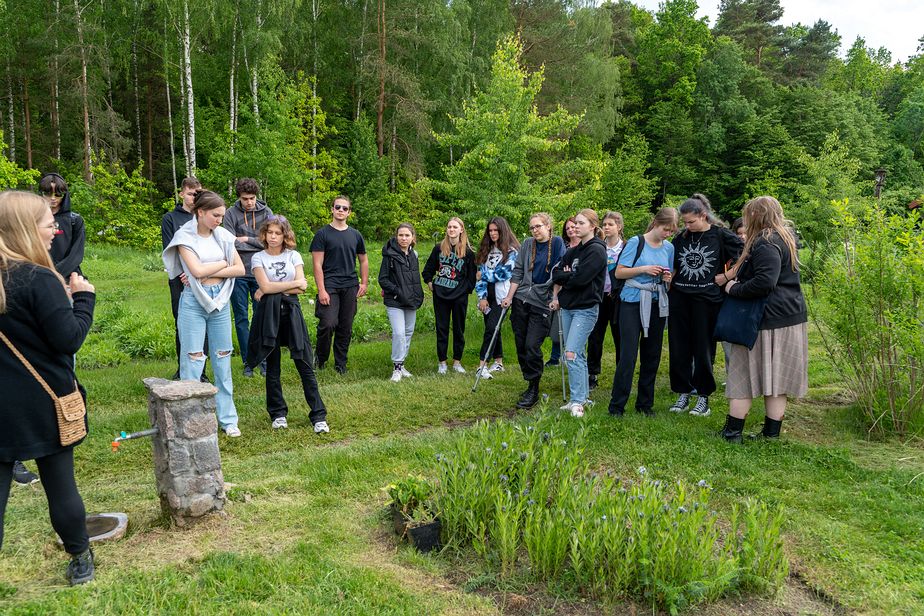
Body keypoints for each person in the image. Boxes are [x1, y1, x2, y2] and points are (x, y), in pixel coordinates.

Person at [0, 190, 96, 585]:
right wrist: (85, 299)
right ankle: (79, 557)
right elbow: (68, 338)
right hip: (44, 402)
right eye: (47, 224)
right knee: (61, 487)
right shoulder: (38, 279)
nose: (55, 230)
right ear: (26, 229)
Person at [719, 196, 808, 443]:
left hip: (765, 319)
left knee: (742, 375)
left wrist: (732, 288)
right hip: (786, 316)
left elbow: (765, 282)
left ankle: (732, 432)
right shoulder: (785, 238)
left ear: (756, 216)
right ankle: (770, 436)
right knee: (776, 379)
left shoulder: (766, 242)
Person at [163, 190, 245, 437]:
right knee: (193, 360)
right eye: (216, 215)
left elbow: (240, 269)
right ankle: (192, 421)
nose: (220, 220)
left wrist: (213, 273)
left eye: (221, 215)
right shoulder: (184, 236)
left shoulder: (223, 236)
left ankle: (228, 420)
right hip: (193, 304)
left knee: (222, 359)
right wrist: (222, 264)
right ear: (200, 212)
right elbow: (197, 271)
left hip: (220, 301)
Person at [247, 216, 329, 434]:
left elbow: (302, 288)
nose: (273, 237)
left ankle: (318, 415)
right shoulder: (257, 258)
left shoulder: (293, 255)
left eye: (278, 233)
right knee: (273, 366)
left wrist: (270, 288)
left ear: (285, 236)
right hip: (268, 314)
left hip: (291, 311)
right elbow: (266, 284)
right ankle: (278, 414)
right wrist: (277, 286)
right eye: (269, 233)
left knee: (304, 362)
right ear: (264, 235)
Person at [667, 194, 743, 418]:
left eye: (691, 221)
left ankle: (703, 397)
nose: (687, 226)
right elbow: (673, 264)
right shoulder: (681, 237)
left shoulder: (720, 235)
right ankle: (683, 391)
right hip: (680, 298)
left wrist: (727, 276)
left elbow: (745, 255)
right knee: (679, 347)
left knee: (703, 348)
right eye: (685, 222)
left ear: (703, 215)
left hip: (707, 300)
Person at [607, 208, 678, 417]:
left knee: (652, 354)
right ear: (656, 223)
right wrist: (644, 269)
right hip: (632, 302)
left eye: (671, 231)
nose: (668, 234)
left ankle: (645, 404)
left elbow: (671, 273)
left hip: (657, 303)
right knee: (628, 355)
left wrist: (667, 279)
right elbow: (620, 272)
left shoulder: (669, 248)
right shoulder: (636, 243)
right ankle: (617, 405)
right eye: (666, 229)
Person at [501, 213, 566, 408]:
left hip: (542, 302)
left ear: (548, 226)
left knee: (531, 345)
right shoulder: (528, 244)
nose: (535, 230)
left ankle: (534, 387)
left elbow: (559, 273)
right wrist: (509, 297)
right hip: (522, 299)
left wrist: (555, 298)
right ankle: (530, 382)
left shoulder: (557, 244)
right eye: (532, 228)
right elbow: (518, 271)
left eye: (538, 226)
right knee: (521, 344)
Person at [550, 209, 607, 417]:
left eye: (581, 223)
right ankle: (582, 398)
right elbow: (555, 272)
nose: (575, 227)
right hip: (568, 307)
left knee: (571, 354)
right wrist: (566, 275)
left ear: (592, 226)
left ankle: (577, 401)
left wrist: (568, 276)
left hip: (586, 309)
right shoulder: (575, 250)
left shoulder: (597, 250)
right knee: (578, 354)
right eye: (575, 223)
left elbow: (582, 279)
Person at [310, 195, 368, 375]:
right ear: (332, 209)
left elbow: (363, 261)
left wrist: (364, 283)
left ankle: (340, 364)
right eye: (338, 207)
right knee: (328, 323)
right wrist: (321, 290)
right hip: (330, 286)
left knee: (345, 326)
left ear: (349, 212)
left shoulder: (355, 235)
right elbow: (317, 265)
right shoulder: (322, 234)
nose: (341, 211)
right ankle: (320, 359)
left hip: (350, 285)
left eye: (344, 208)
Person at [222, 178, 274, 377]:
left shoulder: (267, 213)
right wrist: (255, 242)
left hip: (261, 271)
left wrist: (245, 239)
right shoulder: (230, 214)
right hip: (238, 272)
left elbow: (270, 241)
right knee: (242, 318)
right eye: (245, 199)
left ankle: (263, 359)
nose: (249, 202)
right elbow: (228, 243)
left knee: (261, 317)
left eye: (252, 198)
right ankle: (247, 361)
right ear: (239, 198)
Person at [162, 177, 209, 381]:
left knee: (203, 322)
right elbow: (170, 247)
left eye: (197, 194)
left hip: (204, 277)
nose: (193, 197)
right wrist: (185, 272)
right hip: (180, 279)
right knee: (182, 322)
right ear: (181, 193)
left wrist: (201, 271)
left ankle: (202, 370)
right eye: (190, 193)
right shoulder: (171, 218)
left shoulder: (203, 216)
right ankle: (183, 368)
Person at [421, 217, 476, 374]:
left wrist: (465, 290)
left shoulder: (469, 252)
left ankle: (457, 362)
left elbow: (472, 277)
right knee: (442, 329)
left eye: (455, 227)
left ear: (461, 230)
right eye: (449, 227)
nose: (451, 229)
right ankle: (442, 363)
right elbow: (427, 270)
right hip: (441, 296)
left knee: (459, 329)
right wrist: (431, 284)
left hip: (459, 297)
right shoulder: (439, 248)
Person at [474, 217, 519, 379]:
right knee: (494, 328)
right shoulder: (486, 249)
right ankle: (498, 362)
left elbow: (504, 274)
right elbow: (479, 278)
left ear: (503, 230)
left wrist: (483, 274)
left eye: (496, 230)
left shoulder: (512, 251)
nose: (493, 233)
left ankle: (482, 366)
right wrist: (481, 297)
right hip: (487, 296)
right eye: (490, 230)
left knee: (491, 328)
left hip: (503, 296)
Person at [378, 223, 424, 383]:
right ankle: (396, 368)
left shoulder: (415, 255)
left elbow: (414, 279)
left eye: (407, 235)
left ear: (412, 238)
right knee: (398, 333)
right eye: (401, 235)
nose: (404, 238)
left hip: (411, 301)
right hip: (395, 301)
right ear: (396, 237)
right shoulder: (389, 255)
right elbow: (382, 279)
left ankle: (402, 364)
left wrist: (417, 295)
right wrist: (398, 291)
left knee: (408, 333)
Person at [586, 211, 625, 391]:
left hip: (618, 298)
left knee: (620, 337)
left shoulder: (626, 248)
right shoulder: (598, 247)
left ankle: (621, 373)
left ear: (619, 227)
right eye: (605, 224)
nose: (607, 227)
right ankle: (592, 373)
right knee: (595, 336)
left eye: (610, 224)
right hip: (599, 296)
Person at [546, 216, 580, 367]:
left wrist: (568, 274)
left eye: (573, 226)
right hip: (562, 291)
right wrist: (555, 296)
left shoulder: (588, 246)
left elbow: (579, 274)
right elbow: (557, 274)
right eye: (568, 228)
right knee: (558, 326)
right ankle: (555, 358)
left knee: (577, 328)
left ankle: (573, 356)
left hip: (580, 294)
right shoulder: (563, 247)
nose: (571, 230)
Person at [38, 173, 85, 278]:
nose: (53, 198)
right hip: (38, 274)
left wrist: (57, 273)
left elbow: (76, 254)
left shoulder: (75, 220)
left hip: (68, 275)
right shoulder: (32, 218)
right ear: (41, 193)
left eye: (58, 194)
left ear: (65, 194)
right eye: (48, 193)